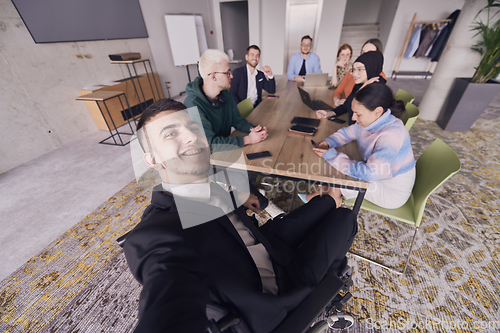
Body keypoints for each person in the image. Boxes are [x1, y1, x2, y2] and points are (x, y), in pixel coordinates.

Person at [123, 99, 358, 333]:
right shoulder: (156, 235)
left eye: (194, 127)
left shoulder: (205, 180)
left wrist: (244, 196)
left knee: (328, 203)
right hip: (273, 294)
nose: (191, 137)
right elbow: (169, 291)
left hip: (267, 244)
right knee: (345, 219)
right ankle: (329, 283)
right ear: (153, 159)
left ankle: (328, 204)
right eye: (170, 133)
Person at [306, 83, 415, 209]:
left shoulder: (391, 135)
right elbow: (347, 133)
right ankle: (322, 197)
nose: (353, 117)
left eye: (358, 114)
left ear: (378, 111)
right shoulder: (371, 120)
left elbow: (370, 174)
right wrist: (330, 142)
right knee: (337, 170)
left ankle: (329, 202)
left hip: (391, 190)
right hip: (380, 174)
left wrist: (333, 156)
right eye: (353, 112)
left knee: (339, 176)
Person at [184, 49, 268, 153]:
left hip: (226, 149)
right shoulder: (192, 104)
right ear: (213, 76)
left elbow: (236, 119)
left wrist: (252, 129)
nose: (231, 76)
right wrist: (248, 139)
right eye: (227, 73)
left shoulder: (225, 94)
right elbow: (209, 144)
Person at [317, 50, 386, 125]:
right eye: (353, 70)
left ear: (371, 68)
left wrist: (362, 90)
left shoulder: (378, 92)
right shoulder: (360, 85)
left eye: (360, 69)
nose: (354, 74)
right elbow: (347, 104)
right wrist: (329, 113)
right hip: (351, 130)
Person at [333, 39, 385, 107]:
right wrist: (337, 101)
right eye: (363, 52)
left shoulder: (379, 78)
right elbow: (338, 91)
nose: (364, 56)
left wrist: (349, 102)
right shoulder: (351, 71)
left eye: (369, 53)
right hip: (345, 109)